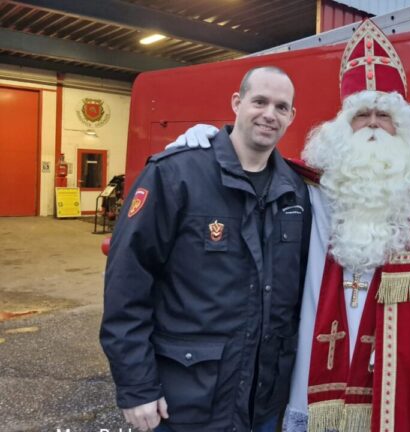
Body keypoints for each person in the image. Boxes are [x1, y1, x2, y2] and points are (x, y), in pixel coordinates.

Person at [174, 20, 410, 432]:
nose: (372, 125)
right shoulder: (313, 182)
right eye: (361, 114)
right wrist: (210, 140)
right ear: (343, 124)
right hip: (317, 342)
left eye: (383, 115)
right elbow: (250, 159)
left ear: (402, 124)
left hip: (393, 364)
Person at [100, 66, 312, 432]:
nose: (269, 114)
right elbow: (127, 285)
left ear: (291, 117)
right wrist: (136, 387)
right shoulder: (175, 175)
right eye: (259, 101)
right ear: (237, 102)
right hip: (187, 403)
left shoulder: (295, 190)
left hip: (263, 405)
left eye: (281, 107)